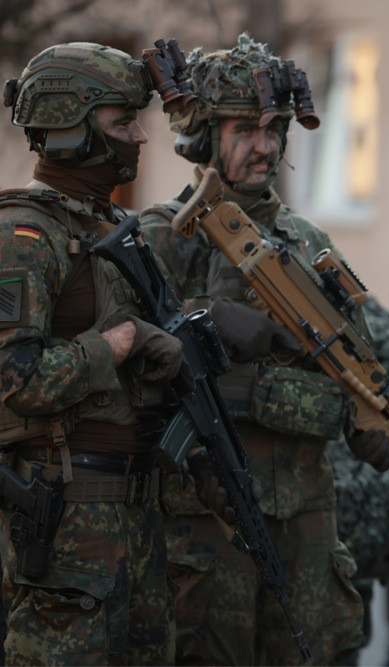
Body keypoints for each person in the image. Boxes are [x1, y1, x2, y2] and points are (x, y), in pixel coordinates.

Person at [139, 34, 389, 665]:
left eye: (274, 129)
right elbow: (132, 370)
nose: (265, 147)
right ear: (203, 136)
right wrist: (205, 322)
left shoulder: (305, 241)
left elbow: (353, 371)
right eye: (244, 130)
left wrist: (365, 420)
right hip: (205, 522)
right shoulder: (160, 239)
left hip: (305, 520)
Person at [0, 42, 185, 664]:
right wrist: (117, 343)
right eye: (123, 122)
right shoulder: (24, 235)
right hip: (67, 520)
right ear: (69, 127)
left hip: (136, 512)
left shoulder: (115, 231)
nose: (139, 136)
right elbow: (14, 379)